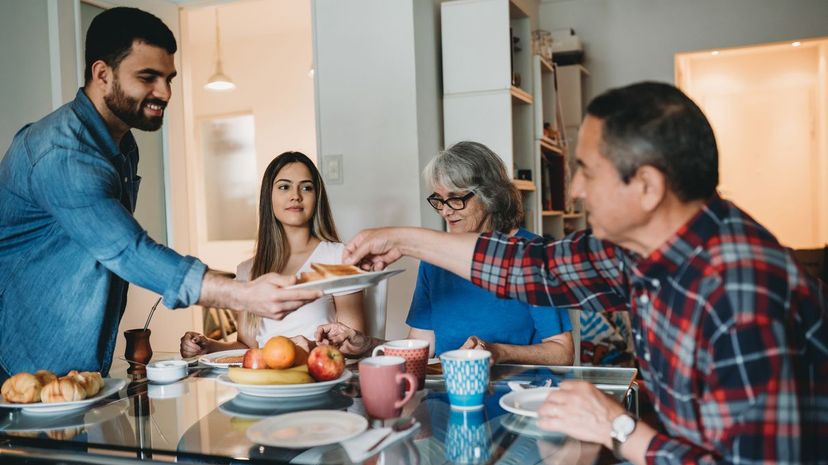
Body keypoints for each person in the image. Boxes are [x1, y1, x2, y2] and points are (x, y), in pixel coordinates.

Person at [340, 82, 827, 464]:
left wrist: (618, 427)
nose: (574, 189)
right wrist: (400, 239)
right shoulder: (640, 252)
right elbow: (535, 267)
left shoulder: (742, 295)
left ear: (648, 187)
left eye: (587, 171)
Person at [0, 8, 320, 382]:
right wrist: (243, 295)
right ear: (102, 74)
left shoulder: (122, 145)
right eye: (147, 77)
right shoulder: (62, 153)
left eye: (169, 78)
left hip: (74, 361)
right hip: (19, 363)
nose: (165, 93)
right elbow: (128, 250)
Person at [317, 142, 573, 364]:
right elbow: (420, 348)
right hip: (450, 397)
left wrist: (498, 352)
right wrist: (364, 344)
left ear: (490, 196)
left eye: (456, 198)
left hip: (517, 397)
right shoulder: (434, 260)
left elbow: (562, 352)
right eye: (439, 200)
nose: (446, 211)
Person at [179, 152, 364, 357]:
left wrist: (309, 347)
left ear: (317, 197)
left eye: (306, 187)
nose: (295, 195)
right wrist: (209, 346)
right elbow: (247, 347)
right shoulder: (248, 269)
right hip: (266, 383)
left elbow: (354, 344)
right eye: (284, 187)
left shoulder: (339, 258)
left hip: (319, 377)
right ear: (269, 197)